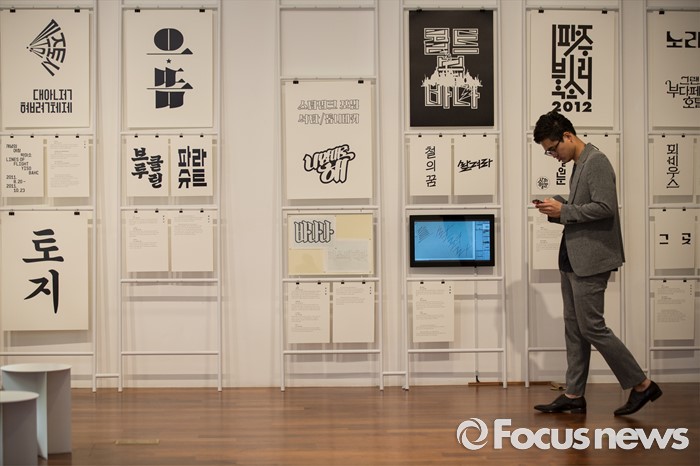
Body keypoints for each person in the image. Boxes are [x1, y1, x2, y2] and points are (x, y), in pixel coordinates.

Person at [531, 111, 661, 416]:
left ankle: (642, 384)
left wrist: (564, 210)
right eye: (548, 152)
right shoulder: (580, 164)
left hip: (591, 259)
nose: (553, 156)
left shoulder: (596, 161)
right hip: (573, 257)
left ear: (567, 136)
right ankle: (574, 394)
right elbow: (584, 207)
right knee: (574, 328)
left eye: (553, 149)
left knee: (592, 327)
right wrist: (557, 207)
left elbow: (605, 208)